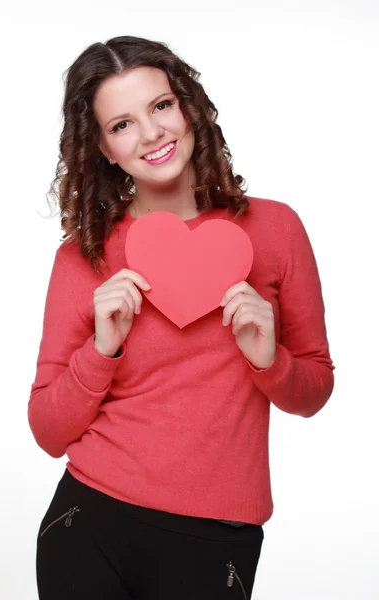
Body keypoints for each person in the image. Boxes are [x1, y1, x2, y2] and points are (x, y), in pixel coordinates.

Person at [28, 35, 335, 600]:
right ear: (103, 148)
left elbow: (313, 390)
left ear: (189, 107)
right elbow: (48, 431)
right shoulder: (82, 255)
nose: (150, 134)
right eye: (121, 125)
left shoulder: (275, 230)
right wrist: (102, 351)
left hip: (218, 539)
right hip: (89, 521)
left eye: (160, 106)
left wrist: (270, 362)